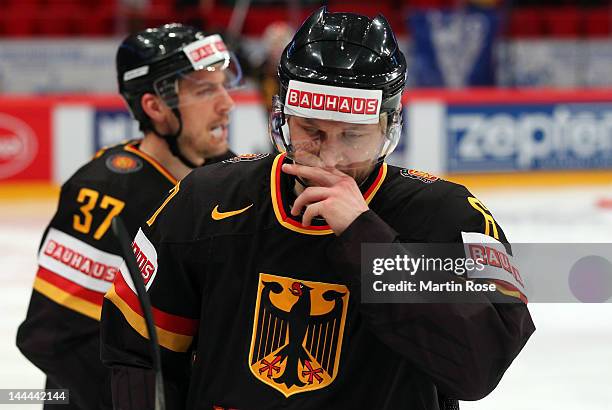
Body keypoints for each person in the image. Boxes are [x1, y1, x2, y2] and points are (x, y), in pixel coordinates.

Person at [100, 8, 535, 410]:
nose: (329, 159)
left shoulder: (450, 217)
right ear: (284, 118)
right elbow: (139, 351)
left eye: (352, 135)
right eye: (311, 131)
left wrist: (368, 238)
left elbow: (479, 367)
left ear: (389, 124)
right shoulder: (205, 199)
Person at [16, 22, 242, 410]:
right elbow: (54, 337)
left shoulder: (232, 179)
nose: (227, 103)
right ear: (155, 106)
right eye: (205, 90)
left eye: (224, 84)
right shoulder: (105, 192)